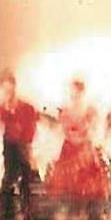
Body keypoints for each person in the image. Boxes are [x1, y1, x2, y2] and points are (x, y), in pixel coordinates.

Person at [44, 79, 107, 209]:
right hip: (70, 147)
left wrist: (83, 136)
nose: (74, 96)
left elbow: (93, 128)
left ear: (82, 93)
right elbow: (63, 129)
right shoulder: (65, 111)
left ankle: (86, 207)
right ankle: (68, 207)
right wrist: (72, 135)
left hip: (84, 147)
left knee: (87, 177)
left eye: (77, 93)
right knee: (65, 178)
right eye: (72, 93)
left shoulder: (89, 110)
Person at [0, 69, 38, 220]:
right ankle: (7, 212)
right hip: (10, 146)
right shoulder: (1, 109)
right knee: (9, 178)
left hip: (23, 146)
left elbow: (30, 128)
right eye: (5, 89)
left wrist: (27, 146)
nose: (8, 92)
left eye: (10, 88)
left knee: (26, 180)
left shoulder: (26, 108)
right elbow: (3, 128)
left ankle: (27, 213)